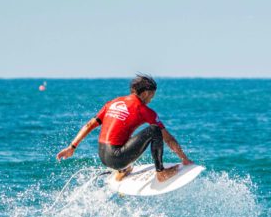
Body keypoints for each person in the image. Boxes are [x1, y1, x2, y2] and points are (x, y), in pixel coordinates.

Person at [56, 74, 193, 182]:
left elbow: (89, 125)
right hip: (116, 157)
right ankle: (161, 173)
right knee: (154, 130)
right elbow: (168, 139)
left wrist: (72, 147)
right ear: (145, 93)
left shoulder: (113, 102)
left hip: (103, 156)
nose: (151, 99)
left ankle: (123, 170)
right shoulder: (144, 110)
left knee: (122, 136)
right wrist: (184, 159)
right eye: (151, 95)